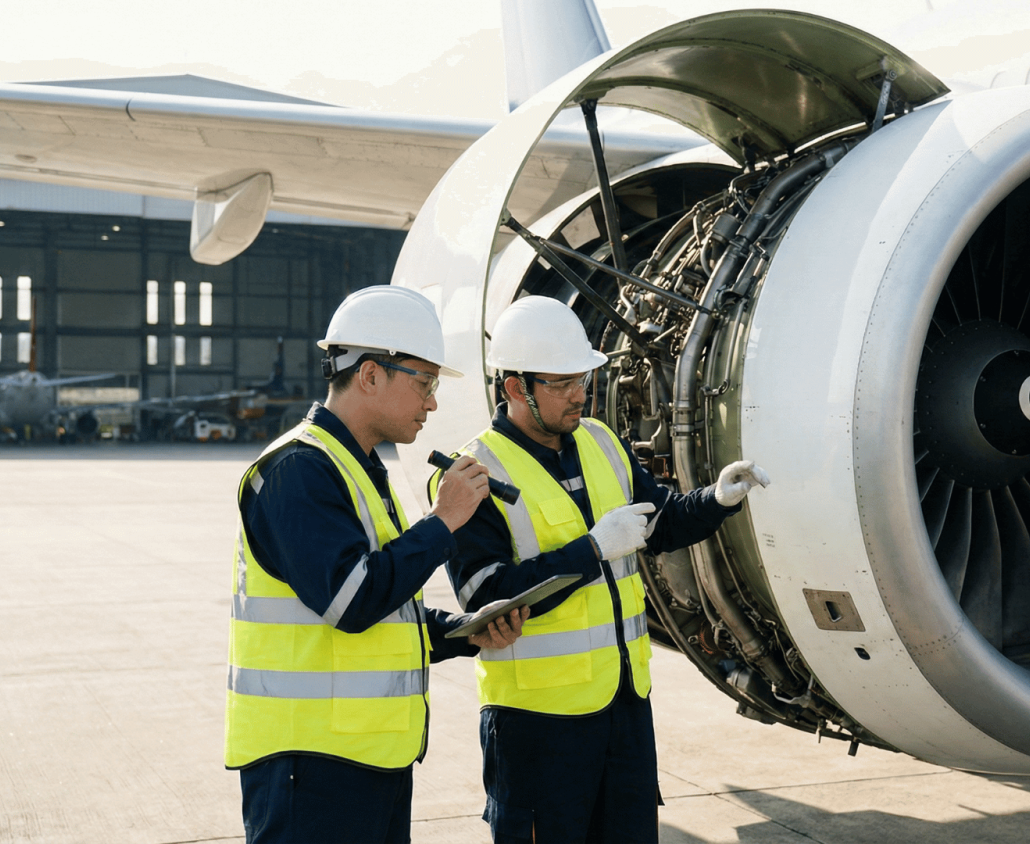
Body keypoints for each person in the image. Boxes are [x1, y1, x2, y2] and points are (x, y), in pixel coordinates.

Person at [433, 296, 771, 844]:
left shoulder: (601, 442)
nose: (579, 395)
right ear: (516, 388)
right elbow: (485, 596)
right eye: (562, 383)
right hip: (538, 722)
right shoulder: (474, 472)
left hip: (622, 706)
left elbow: (658, 523)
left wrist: (716, 499)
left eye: (583, 379)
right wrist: (591, 550)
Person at [226, 284, 529, 844]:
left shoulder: (356, 467)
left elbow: (385, 605)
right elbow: (351, 600)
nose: (433, 402)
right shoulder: (299, 470)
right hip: (310, 767)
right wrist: (443, 523)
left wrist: (466, 633)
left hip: (363, 759)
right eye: (425, 383)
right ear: (370, 375)